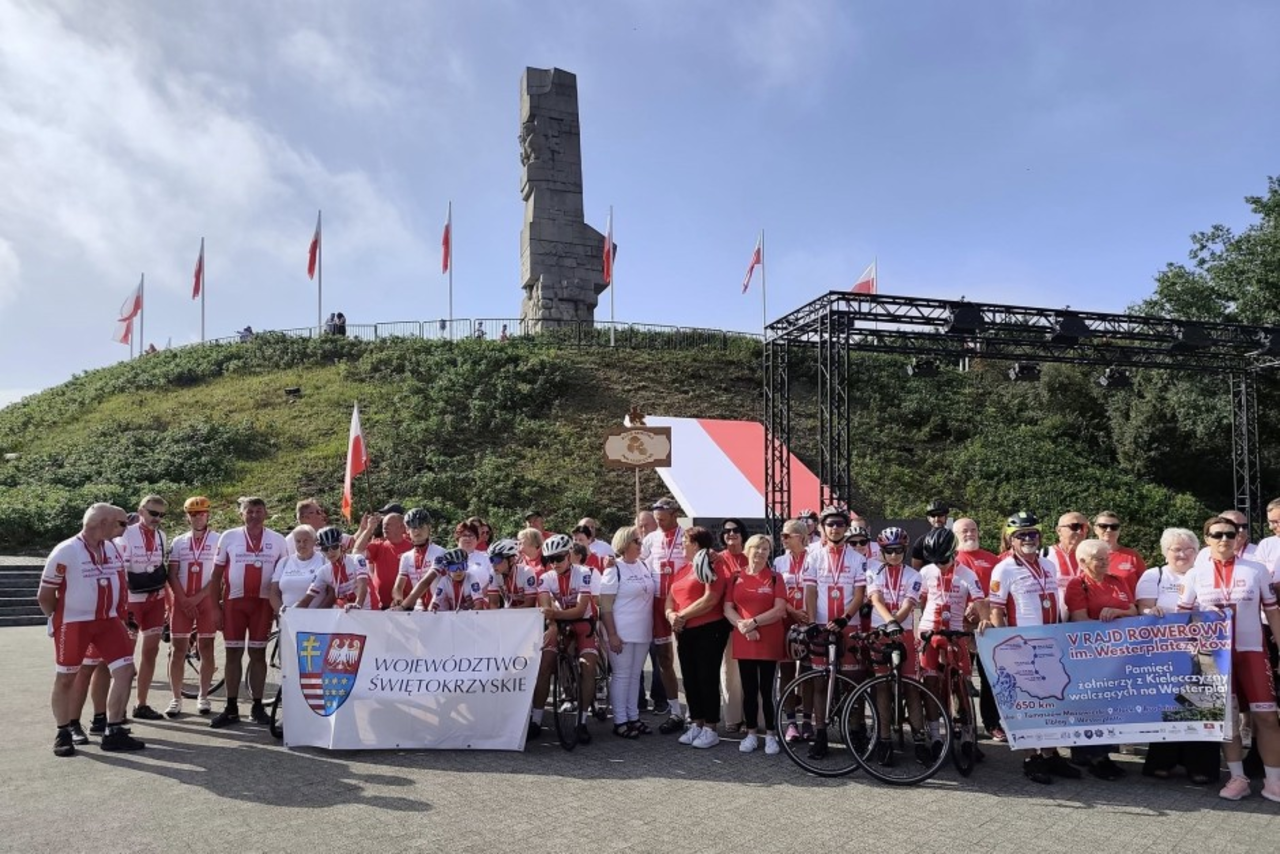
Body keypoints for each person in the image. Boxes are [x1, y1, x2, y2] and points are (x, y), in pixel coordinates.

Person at [1179, 515, 1280, 801]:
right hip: (1214, 656)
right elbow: (1183, 616)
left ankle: (1274, 781)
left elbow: (1272, 612)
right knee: (1227, 720)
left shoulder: (1256, 570)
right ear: (1207, 539)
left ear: (1238, 538)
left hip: (1252, 652)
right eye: (1217, 534)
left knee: (1267, 717)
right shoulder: (1195, 574)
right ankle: (1238, 778)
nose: (1224, 539)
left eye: (1230, 534)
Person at [39, 504, 145, 755]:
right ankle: (63, 731)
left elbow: (120, 584)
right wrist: (57, 619)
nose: (125, 528)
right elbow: (45, 595)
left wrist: (123, 616)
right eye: (121, 523)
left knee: (125, 670)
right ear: (104, 523)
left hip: (108, 621)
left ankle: (113, 730)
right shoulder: (66, 550)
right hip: (75, 622)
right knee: (67, 677)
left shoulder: (112, 548)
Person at [987, 510, 1080, 784]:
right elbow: (996, 609)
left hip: (1050, 644)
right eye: (1021, 535)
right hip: (1022, 647)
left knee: (1052, 702)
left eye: (1032, 534)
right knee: (1027, 705)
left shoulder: (1049, 564)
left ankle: (1050, 755)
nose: (1028, 539)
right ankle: (1031, 758)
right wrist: (1005, 646)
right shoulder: (1003, 568)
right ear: (1010, 539)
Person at [1135, 527, 1220, 784]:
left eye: (1188, 549)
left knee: (1202, 705)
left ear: (1197, 552)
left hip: (1205, 650)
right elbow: (1143, 609)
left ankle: (1200, 765)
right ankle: (1163, 761)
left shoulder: (1208, 574)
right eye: (1176, 549)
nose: (1182, 554)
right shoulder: (1154, 575)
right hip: (1166, 652)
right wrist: (1152, 611)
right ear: (1166, 552)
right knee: (1170, 705)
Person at [210, 496, 288, 728]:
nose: (254, 515)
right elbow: (216, 576)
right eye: (249, 511)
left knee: (258, 654)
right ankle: (231, 708)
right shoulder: (229, 537)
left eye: (258, 511)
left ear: (266, 513)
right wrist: (214, 608)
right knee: (233, 654)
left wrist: (279, 609)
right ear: (241, 514)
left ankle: (257, 706)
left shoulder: (278, 540)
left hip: (262, 605)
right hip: (234, 604)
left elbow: (283, 577)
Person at [1063, 539, 1137, 780]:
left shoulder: (1118, 581)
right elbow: (1080, 620)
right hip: (1090, 655)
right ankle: (1093, 756)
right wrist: (1111, 629)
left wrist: (1118, 612)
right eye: (1099, 559)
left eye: (1107, 558)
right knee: (1092, 704)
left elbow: (1133, 610)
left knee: (1110, 703)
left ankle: (1101, 753)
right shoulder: (1078, 585)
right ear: (1083, 561)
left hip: (1118, 653)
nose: (1105, 562)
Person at [801, 505, 868, 759]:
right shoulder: (813, 556)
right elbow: (810, 591)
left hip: (848, 625)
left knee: (854, 682)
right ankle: (820, 735)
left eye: (840, 524)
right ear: (822, 528)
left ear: (846, 527)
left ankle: (855, 731)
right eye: (830, 524)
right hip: (820, 624)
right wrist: (811, 622)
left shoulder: (857, 558)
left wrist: (845, 618)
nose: (835, 528)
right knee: (820, 682)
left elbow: (859, 594)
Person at [917, 527, 987, 751]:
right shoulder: (926, 572)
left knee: (961, 683)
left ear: (953, 553)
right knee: (930, 682)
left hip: (956, 632)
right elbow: (921, 601)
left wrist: (984, 619)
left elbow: (980, 601)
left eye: (943, 560)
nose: (940, 565)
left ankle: (967, 733)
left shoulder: (967, 574)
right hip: (930, 631)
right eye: (935, 561)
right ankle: (935, 734)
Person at [529, 534, 598, 744]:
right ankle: (536, 720)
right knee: (545, 665)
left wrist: (553, 615)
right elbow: (545, 609)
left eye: (558, 558)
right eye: (550, 559)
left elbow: (580, 610)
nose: (554, 563)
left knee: (588, 667)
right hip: (559, 624)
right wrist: (552, 622)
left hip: (583, 623)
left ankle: (582, 722)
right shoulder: (545, 578)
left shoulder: (584, 573)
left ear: (569, 555)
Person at [867, 526, 928, 763]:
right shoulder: (873, 570)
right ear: (882, 551)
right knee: (882, 687)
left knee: (912, 687)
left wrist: (896, 622)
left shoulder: (914, 575)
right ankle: (884, 740)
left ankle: (919, 739)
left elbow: (909, 604)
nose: (894, 555)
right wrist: (889, 622)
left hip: (904, 633)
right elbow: (876, 599)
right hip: (881, 631)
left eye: (899, 551)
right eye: (890, 551)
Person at [724, 534, 787, 755]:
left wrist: (754, 623)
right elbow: (728, 608)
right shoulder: (736, 577)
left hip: (768, 640)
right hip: (745, 640)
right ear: (748, 550)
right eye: (756, 548)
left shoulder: (776, 578)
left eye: (765, 549)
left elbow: (779, 610)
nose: (760, 552)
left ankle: (770, 734)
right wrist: (743, 626)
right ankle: (751, 733)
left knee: (767, 690)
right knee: (748, 689)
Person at [667, 530, 728, 749]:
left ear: (696, 544)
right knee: (690, 679)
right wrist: (671, 615)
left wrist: (681, 616)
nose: (681, 545)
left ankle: (711, 728)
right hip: (685, 631)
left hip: (709, 629)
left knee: (706, 677)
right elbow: (670, 599)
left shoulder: (712, 564)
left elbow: (711, 599)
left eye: (685, 541)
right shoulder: (683, 569)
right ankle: (697, 722)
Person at [165, 496, 221, 717]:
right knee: (178, 650)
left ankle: (203, 696)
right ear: (187, 517)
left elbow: (217, 575)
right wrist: (183, 600)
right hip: (182, 602)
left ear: (208, 515)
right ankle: (176, 698)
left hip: (205, 600)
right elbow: (172, 573)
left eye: (202, 513)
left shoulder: (218, 540)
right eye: (193, 514)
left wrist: (196, 598)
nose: (198, 518)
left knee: (206, 648)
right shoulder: (179, 541)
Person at [115, 495, 170, 721]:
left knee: (151, 651)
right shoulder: (126, 533)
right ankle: (119, 709)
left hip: (155, 599)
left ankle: (142, 704)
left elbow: (160, 566)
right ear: (140, 511)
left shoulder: (162, 536)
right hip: (132, 600)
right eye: (153, 513)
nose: (157, 518)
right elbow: (119, 569)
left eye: (161, 515)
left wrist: (168, 601)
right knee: (126, 656)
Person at [600, 526, 655, 738]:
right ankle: (620, 720)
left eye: (640, 541)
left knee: (634, 675)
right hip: (621, 632)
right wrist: (612, 634)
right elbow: (605, 606)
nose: (640, 545)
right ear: (624, 544)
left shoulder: (643, 565)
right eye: (636, 542)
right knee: (622, 675)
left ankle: (633, 717)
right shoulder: (614, 569)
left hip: (642, 631)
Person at [640, 497, 687, 734]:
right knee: (664, 659)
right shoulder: (651, 538)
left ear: (674, 515)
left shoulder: (686, 536)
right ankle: (675, 711)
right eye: (656, 519)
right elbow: (638, 563)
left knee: (687, 659)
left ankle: (695, 712)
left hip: (682, 604)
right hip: (657, 603)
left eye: (662, 519)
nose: (658, 523)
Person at [953, 516, 1002, 739]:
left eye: (973, 529)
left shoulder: (992, 559)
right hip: (960, 624)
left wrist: (983, 605)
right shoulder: (950, 559)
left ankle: (992, 723)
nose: (970, 534)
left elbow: (1001, 591)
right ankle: (961, 722)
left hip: (987, 624)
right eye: (964, 530)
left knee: (989, 676)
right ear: (955, 535)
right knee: (959, 676)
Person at [774, 519, 815, 743]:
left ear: (801, 536)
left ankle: (807, 721)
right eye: (782, 535)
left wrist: (808, 616)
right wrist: (793, 611)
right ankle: (790, 722)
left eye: (787, 535)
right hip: (787, 620)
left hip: (809, 620)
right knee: (787, 672)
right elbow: (777, 592)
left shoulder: (814, 558)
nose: (783, 539)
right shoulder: (779, 561)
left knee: (808, 673)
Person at [717, 518, 749, 732]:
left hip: (749, 621)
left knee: (748, 671)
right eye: (727, 531)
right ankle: (732, 717)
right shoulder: (718, 559)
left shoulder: (751, 556)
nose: (731, 534)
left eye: (735, 530)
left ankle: (750, 717)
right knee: (729, 671)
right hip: (724, 621)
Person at [298, 525, 372, 609]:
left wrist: (357, 604)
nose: (330, 552)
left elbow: (362, 585)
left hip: (369, 609)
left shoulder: (357, 559)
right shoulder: (323, 572)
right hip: (348, 612)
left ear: (341, 546)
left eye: (334, 547)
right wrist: (289, 611)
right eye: (325, 549)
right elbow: (307, 599)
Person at [392, 508, 445, 609]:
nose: (417, 531)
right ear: (407, 530)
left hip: (440, 609)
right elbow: (398, 586)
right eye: (413, 527)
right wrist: (398, 599)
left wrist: (403, 606)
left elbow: (426, 582)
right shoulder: (406, 557)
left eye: (421, 526)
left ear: (429, 527)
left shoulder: (440, 552)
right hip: (419, 609)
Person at [269, 525, 325, 612]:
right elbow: (274, 593)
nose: (302, 544)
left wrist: (319, 613)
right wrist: (281, 612)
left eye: (306, 541)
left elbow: (331, 593)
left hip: (318, 616)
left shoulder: (324, 561)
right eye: (298, 541)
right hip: (288, 616)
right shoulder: (284, 562)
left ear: (314, 541)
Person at [364, 512, 411, 610]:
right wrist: (368, 529)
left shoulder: (413, 547)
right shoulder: (378, 546)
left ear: (401, 527)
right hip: (382, 607)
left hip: (408, 606)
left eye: (388, 525)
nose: (384, 528)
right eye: (383, 525)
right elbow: (357, 552)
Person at [1092, 511, 1145, 595]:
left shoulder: (1132, 556)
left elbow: (1145, 586)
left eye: (1114, 527)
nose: (1109, 530)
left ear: (1119, 530)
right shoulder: (1087, 555)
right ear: (1095, 529)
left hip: (1129, 603)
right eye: (1103, 526)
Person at [424, 549, 490, 612]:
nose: (458, 571)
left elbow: (479, 606)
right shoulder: (444, 581)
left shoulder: (471, 578)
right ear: (447, 569)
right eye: (453, 568)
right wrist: (431, 611)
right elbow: (435, 602)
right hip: (453, 614)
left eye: (462, 566)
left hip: (472, 612)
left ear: (466, 566)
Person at [487, 538, 538, 608]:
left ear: (511, 560)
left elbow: (530, 604)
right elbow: (493, 604)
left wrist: (510, 612)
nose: (493, 564)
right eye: (491, 560)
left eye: (497, 559)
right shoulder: (494, 574)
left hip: (528, 612)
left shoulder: (527, 572)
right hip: (509, 611)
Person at [911, 499, 951, 569]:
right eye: (933, 516)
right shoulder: (921, 541)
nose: (937, 519)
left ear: (946, 517)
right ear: (928, 518)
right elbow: (916, 568)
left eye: (940, 515)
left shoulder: (954, 539)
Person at [1051, 511, 1090, 580]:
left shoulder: (1093, 555)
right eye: (1074, 526)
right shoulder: (1046, 554)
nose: (1079, 531)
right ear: (1059, 530)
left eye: (1083, 527)